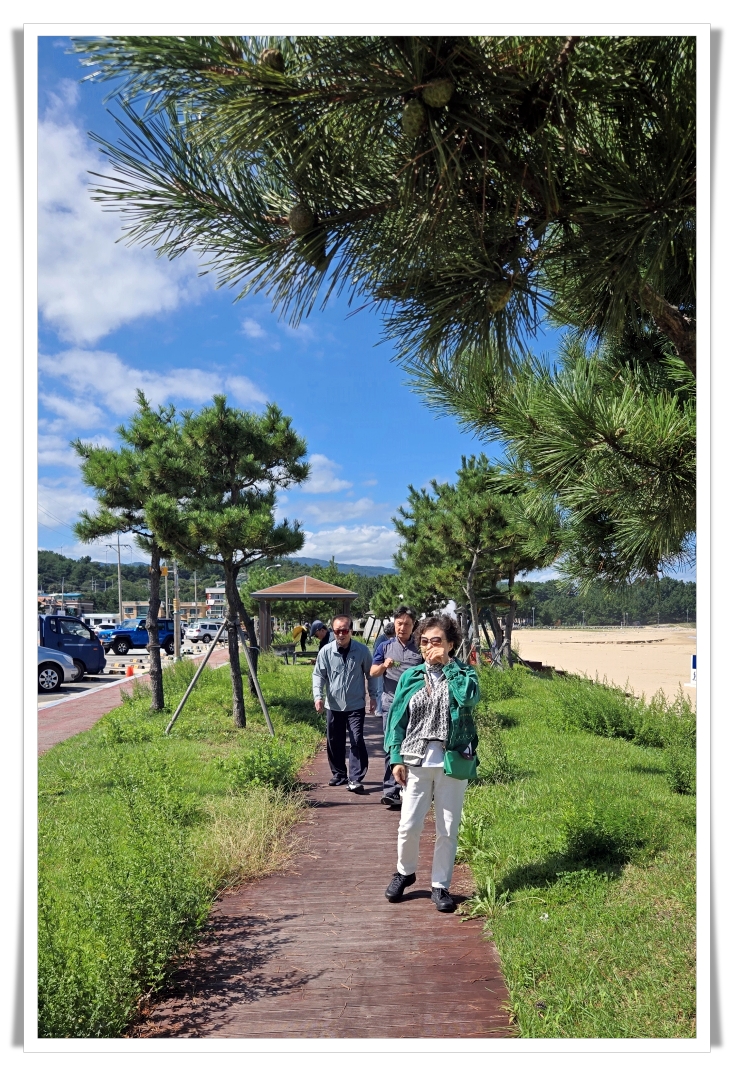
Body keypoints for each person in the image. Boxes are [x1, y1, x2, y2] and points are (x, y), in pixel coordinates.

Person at [383, 614, 480, 913]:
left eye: (436, 641)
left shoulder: (465, 674)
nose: (429, 647)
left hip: (452, 761)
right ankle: (405, 872)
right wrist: (396, 758)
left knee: (447, 828)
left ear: (451, 644)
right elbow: (397, 720)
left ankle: (440, 885)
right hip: (416, 761)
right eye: (424, 642)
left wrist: (449, 666)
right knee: (408, 825)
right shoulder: (411, 676)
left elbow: (468, 698)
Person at [313, 614, 378, 793]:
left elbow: (371, 674)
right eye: (337, 631)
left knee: (356, 739)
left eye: (344, 630)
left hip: (355, 704)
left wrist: (373, 697)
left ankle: (355, 777)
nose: (341, 634)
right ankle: (339, 773)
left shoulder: (362, 650)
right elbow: (318, 675)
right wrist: (318, 697)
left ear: (350, 631)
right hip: (333, 705)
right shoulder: (326, 651)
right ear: (333, 631)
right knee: (334, 740)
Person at [370, 607, 422, 809]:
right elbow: (373, 672)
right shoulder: (384, 647)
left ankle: (414, 789)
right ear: (394, 623)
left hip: (417, 706)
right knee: (392, 746)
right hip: (391, 705)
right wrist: (384, 666)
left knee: (416, 747)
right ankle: (390, 791)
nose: (402, 627)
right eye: (399, 623)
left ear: (413, 625)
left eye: (407, 624)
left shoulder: (420, 648)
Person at [372, 621, 395, 719]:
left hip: (390, 667)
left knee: (385, 689)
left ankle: (383, 709)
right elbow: (376, 654)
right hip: (381, 666)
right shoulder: (381, 639)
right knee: (380, 688)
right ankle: (379, 710)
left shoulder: (389, 639)